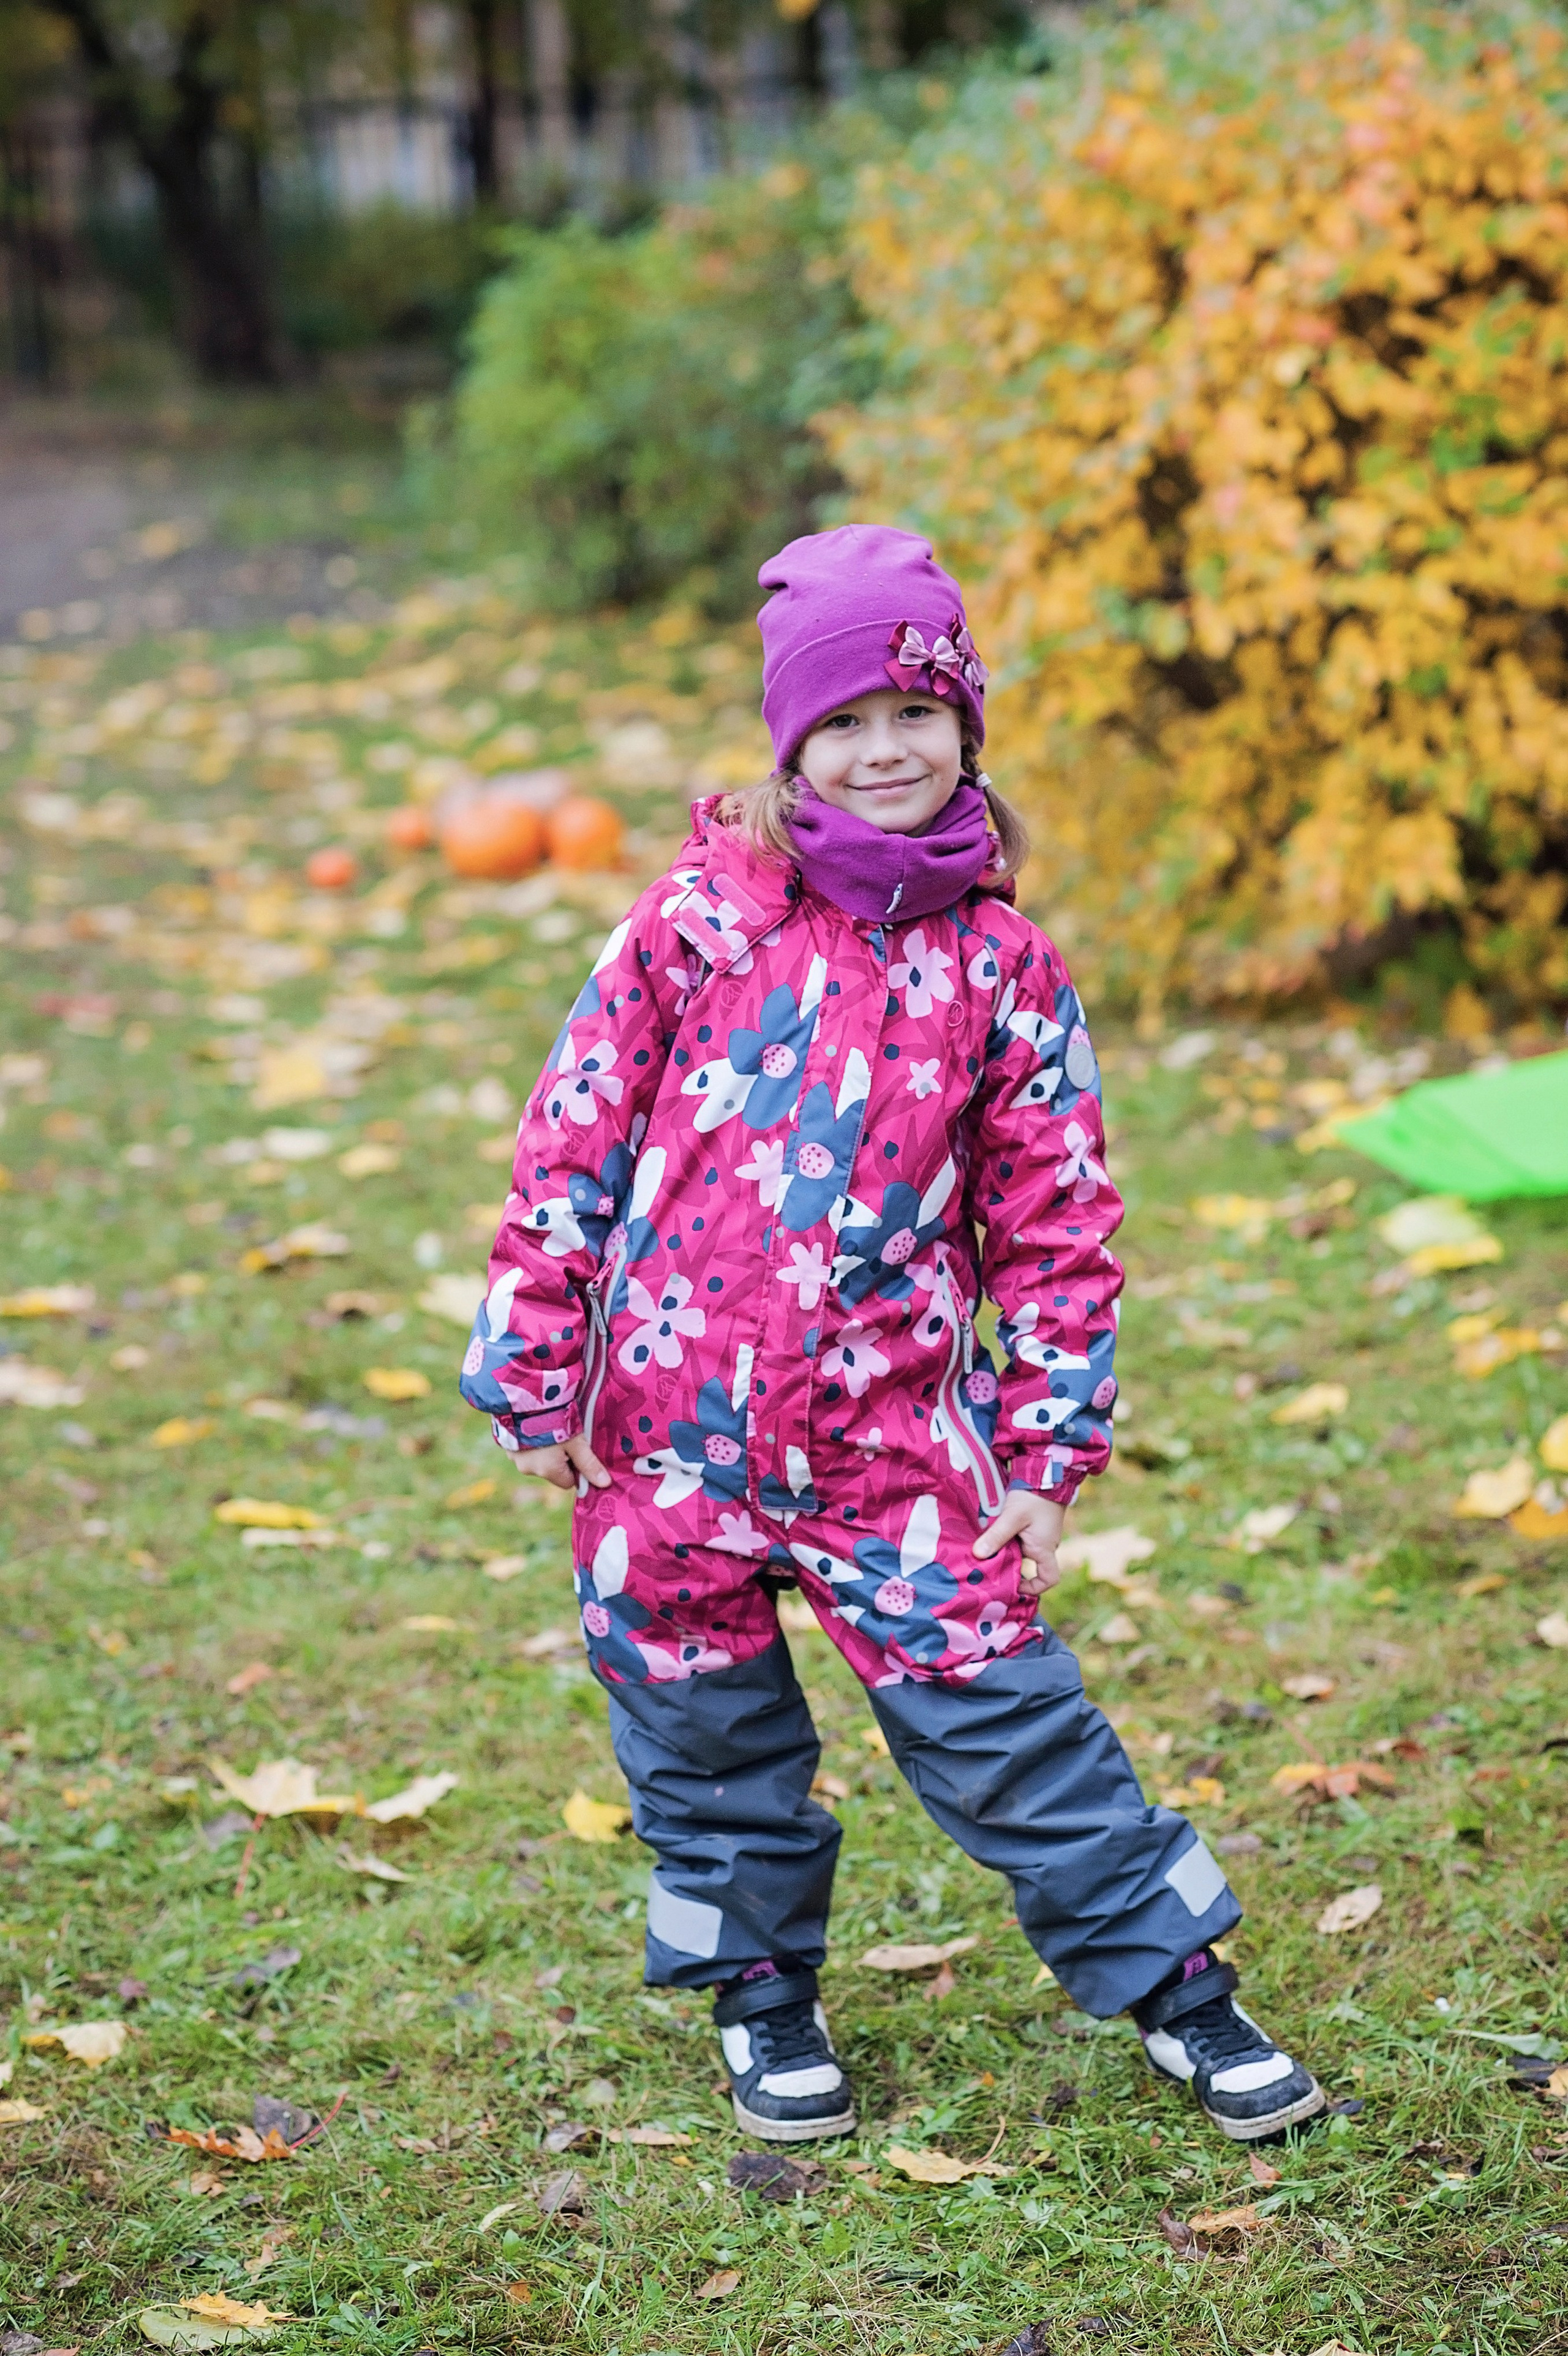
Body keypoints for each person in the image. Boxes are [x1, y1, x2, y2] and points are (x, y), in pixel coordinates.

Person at [459, 525, 1324, 2147]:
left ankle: (1177, 1988)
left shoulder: (1004, 971)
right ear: (792, 744)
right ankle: (762, 1993)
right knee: (704, 1739)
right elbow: (571, 1126)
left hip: (892, 1447)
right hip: (662, 1439)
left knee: (1010, 1727)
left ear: (965, 728)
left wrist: (1052, 1449)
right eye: (843, 723)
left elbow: (1057, 1228)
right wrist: (538, 1356)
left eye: (917, 715)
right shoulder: (698, 920)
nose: (884, 750)